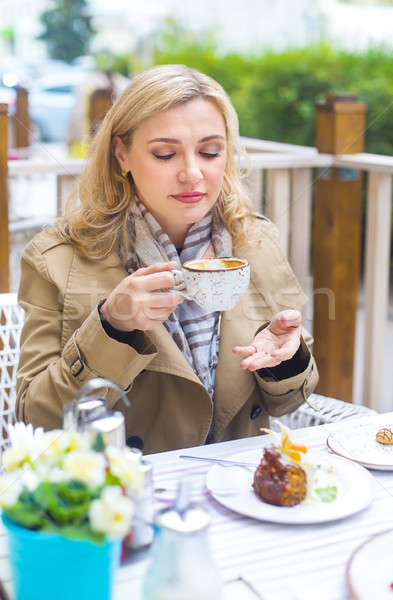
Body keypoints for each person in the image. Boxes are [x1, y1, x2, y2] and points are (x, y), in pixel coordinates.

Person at [16, 64, 319, 454]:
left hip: (237, 490)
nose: (192, 173)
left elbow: (292, 400)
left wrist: (285, 359)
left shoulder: (254, 240)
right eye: (164, 154)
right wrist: (112, 329)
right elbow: (36, 418)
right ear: (120, 154)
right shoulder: (57, 259)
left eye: (210, 151)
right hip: (126, 494)